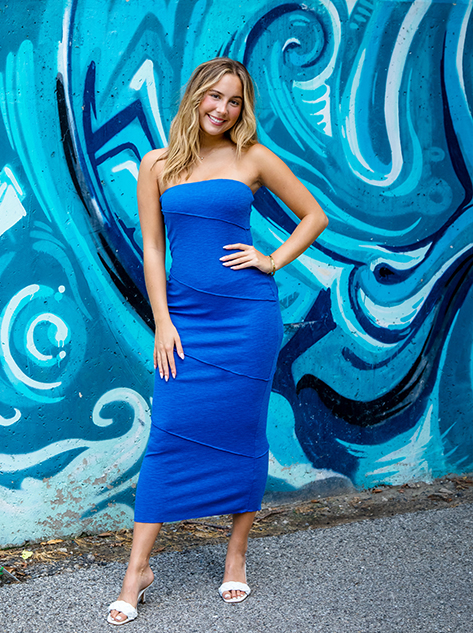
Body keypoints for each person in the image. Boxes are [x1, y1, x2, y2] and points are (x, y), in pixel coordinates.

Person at [106, 57, 328, 625]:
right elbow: (153, 248)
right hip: (185, 317)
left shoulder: (252, 157)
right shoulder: (156, 164)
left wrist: (272, 259)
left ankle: (235, 555)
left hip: (248, 318)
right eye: (214, 96)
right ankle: (137, 572)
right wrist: (162, 320)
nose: (222, 109)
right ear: (195, 95)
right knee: (169, 431)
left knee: (243, 431)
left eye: (234, 101)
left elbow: (314, 216)